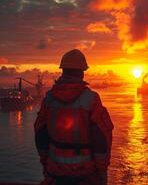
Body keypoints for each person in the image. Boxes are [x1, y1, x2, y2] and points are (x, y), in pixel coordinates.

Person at [34, 49, 114, 185]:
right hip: (85, 173)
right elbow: (101, 138)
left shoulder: (49, 99)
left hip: (55, 172)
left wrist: (46, 163)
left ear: (63, 71)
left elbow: (40, 134)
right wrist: (102, 172)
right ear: (82, 73)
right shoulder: (91, 99)